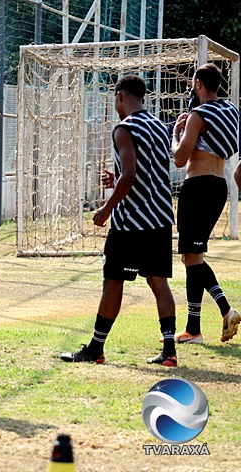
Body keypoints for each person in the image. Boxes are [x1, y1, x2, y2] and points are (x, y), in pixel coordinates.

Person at [60, 75, 178, 367]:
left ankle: (95, 349)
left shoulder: (124, 129)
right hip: (160, 219)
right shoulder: (160, 127)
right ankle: (170, 351)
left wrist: (106, 208)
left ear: (120, 96)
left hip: (131, 224)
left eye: (114, 99)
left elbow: (130, 176)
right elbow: (148, 172)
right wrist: (118, 180)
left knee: (113, 282)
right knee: (159, 284)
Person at [171, 63, 240, 345]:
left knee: (192, 256)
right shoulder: (231, 111)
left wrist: (177, 132)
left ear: (199, 83)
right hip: (218, 186)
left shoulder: (198, 115)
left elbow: (179, 158)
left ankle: (224, 310)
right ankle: (193, 328)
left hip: (197, 186)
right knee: (192, 257)